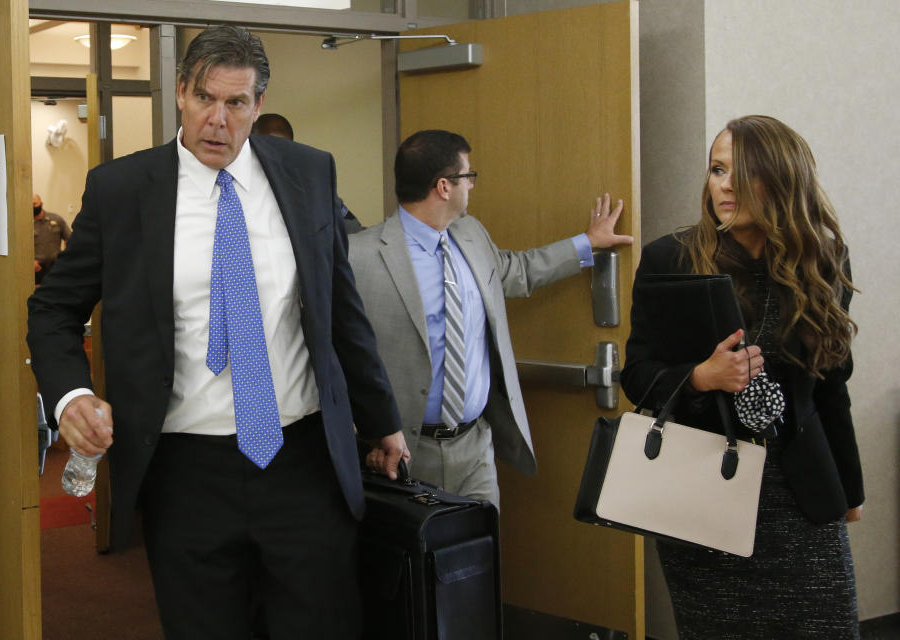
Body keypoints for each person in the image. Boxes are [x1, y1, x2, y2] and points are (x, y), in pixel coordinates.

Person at [27, 25, 407, 640]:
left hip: (301, 458)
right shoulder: (123, 191)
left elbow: (340, 307)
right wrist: (71, 396)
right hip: (185, 468)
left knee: (323, 623)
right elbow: (53, 309)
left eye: (236, 104)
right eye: (205, 98)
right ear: (180, 91)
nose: (217, 121)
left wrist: (381, 418)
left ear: (258, 104)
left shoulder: (309, 174)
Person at [621, 115, 863, 639]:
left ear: (781, 178)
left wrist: (849, 489)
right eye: (716, 169)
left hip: (802, 493)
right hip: (706, 494)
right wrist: (701, 378)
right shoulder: (673, 258)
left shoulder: (822, 260)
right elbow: (637, 375)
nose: (723, 185)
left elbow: (831, 386)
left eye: (741, 171)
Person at [349, 129, 633, 506]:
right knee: (416, 565)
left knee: (482, 560)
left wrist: (588, 244)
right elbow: (337, 356)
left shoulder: (470, 233)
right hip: (402, 456)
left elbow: (516, 271)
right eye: (469, 176)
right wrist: (365, 434)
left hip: (475, 449)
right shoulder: (360, 256)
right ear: (444, 187)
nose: (473, 186)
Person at [253, 112, 364, 233]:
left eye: (285, 147)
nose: (278, 155)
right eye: (269, 146)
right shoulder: (234, 190)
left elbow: (356, 232)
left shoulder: (313, 191)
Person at [32, 193, 71, 284]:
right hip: (36, 268)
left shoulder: (56, 219)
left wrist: (65, 258)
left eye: (34, 204)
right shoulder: (24, 222)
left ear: (41, 204)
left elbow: (69, 239)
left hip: (56, 266)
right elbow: (20, 247)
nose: (33, 207)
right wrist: (30, 262)